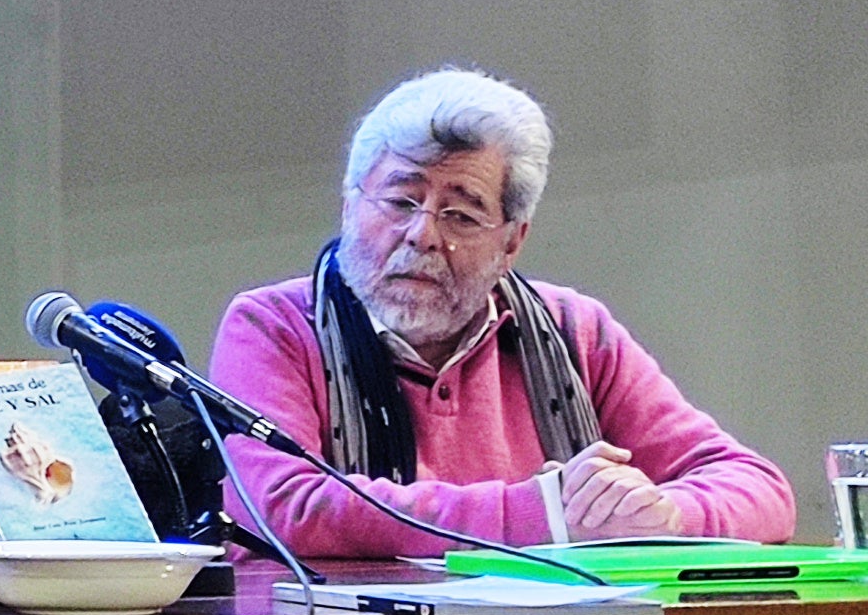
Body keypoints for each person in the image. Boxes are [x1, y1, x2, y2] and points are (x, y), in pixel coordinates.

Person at [208, 67, 791, 556]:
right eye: (400, 201)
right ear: (348, 205)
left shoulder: (574, 330)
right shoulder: (274, 326)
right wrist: (538, 515)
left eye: (460, 215)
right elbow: (278, 506)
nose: (421, 236)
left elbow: (761, 490)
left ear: (512, 240)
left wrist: (661, 516)